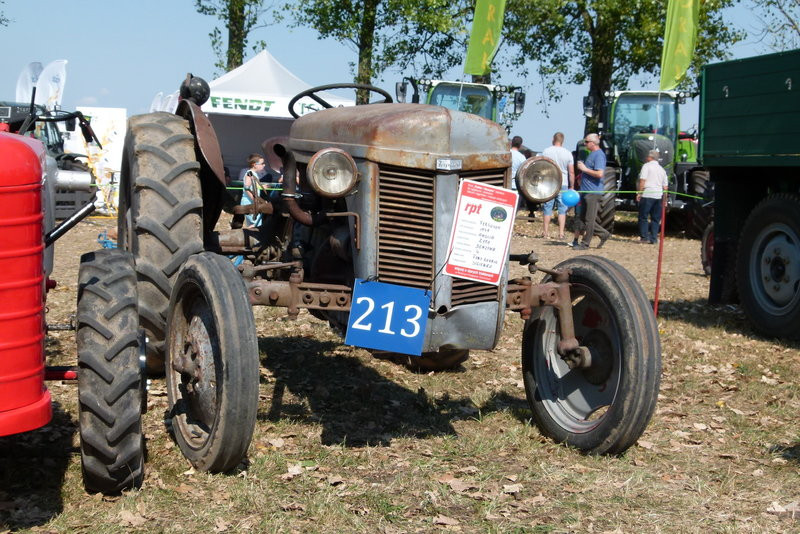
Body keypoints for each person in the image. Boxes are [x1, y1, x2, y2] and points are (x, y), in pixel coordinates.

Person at [571, 133, 611, 250]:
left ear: (593, 143)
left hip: (593, 192)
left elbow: (599, 174)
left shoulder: (599, 155)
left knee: (589, 219)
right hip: (585, 191)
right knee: (583, 218)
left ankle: (585, 244)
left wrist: (584, 169)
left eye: (587, 142)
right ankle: (604, 234)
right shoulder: (592, 154)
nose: (585, 144)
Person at [540, 132, 575, 239]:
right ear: (562, 141)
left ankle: (545, 232)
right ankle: (561, 233)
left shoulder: (546, 151)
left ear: (553, 139)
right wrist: (572, 186)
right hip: (563, 182)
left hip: (549, 182)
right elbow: (571, 172)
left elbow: (541, 167)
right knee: (562, 209)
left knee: (547, 208)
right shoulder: (568, 153)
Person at [636, 149, 668, 244]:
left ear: (650, 157)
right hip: (658, 196)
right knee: (655, 218)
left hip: (647, 194)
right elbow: (665, 186)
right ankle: (654, 238)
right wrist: (665, 199)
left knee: (643, 216)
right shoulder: (662, 170)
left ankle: (644, 237)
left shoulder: (646, 166)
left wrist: (639, 193)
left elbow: (642, 180)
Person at [240, 153, 267, 228]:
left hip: (251, 202)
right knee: (256, 225)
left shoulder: (254, 174)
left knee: (252, 225)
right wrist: (256, 199)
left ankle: (249, 238)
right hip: (250, 203)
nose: (264, 165)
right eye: (262, 163)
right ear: (255, 165)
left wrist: (261, 186)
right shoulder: (249, 174)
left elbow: (252, 185)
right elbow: (247, 188)